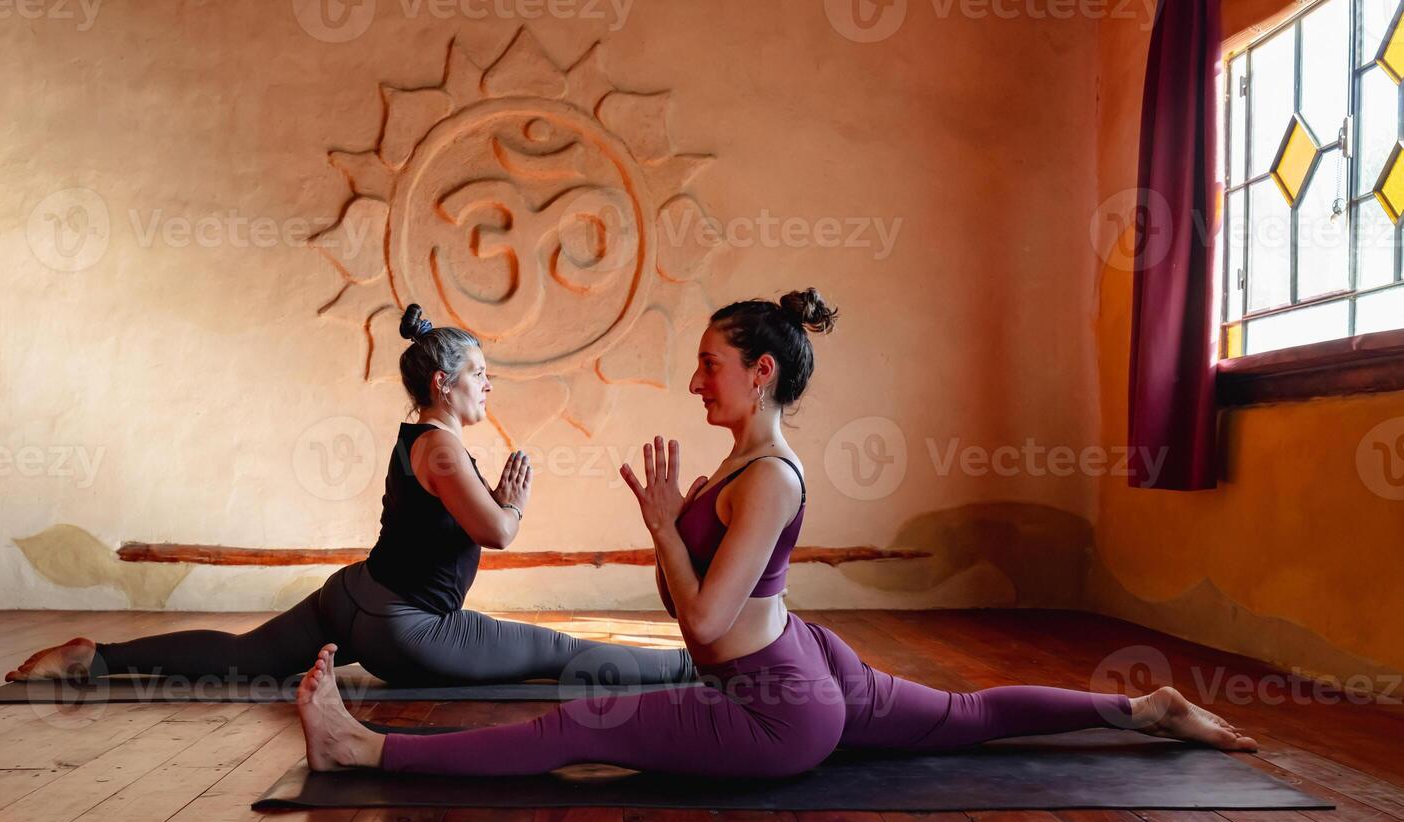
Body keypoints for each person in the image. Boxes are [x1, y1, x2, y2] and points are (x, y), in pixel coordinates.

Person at [293, 287, 1259, 775]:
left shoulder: (766, 482)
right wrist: (669, 531)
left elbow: (705, 629)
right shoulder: (740, 465)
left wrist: (667, 531)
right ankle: (1142, 713)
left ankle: (366, 752)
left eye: (710, 363)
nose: (695, 379)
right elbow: (696, 613)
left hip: (773, 704)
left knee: (567, 730)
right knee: (965, 720)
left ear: (760, 372)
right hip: (806, 661)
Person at [5, 314, 697, 690]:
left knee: (246, 659)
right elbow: (500, 535)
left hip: (353, 597)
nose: (490, 387)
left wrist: (498, 504)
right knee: (557, 651)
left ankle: (96, 656)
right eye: (480, 375)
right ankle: (696, 666)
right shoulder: (446, 449)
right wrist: (512, 505)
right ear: (442, 380)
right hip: (408, 632)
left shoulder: (420, 440)